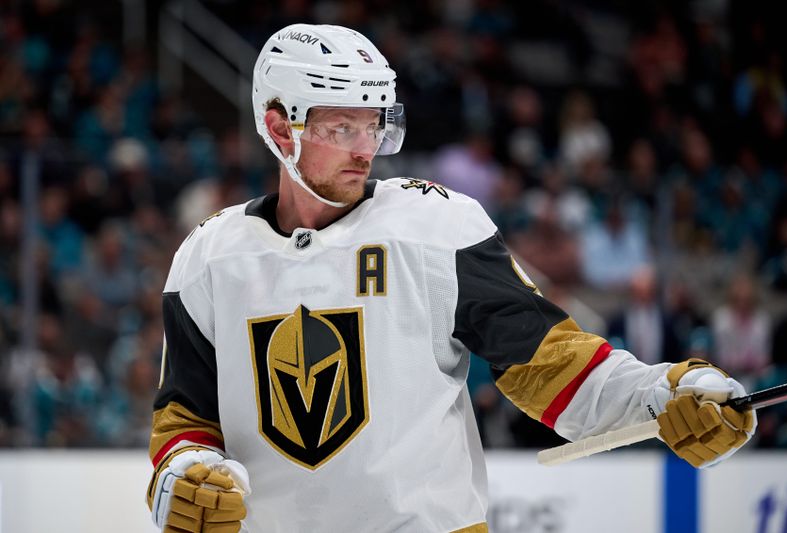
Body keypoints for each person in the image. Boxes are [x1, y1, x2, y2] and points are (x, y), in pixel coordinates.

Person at [146, 24, 756, 533]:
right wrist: (183, 475)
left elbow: (555, 366)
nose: (366, 149)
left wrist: (667, 393)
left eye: (374, 124)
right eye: (341, 129)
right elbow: (187, 417)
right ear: (280, 129)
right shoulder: (208, 258)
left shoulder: (438, 228)